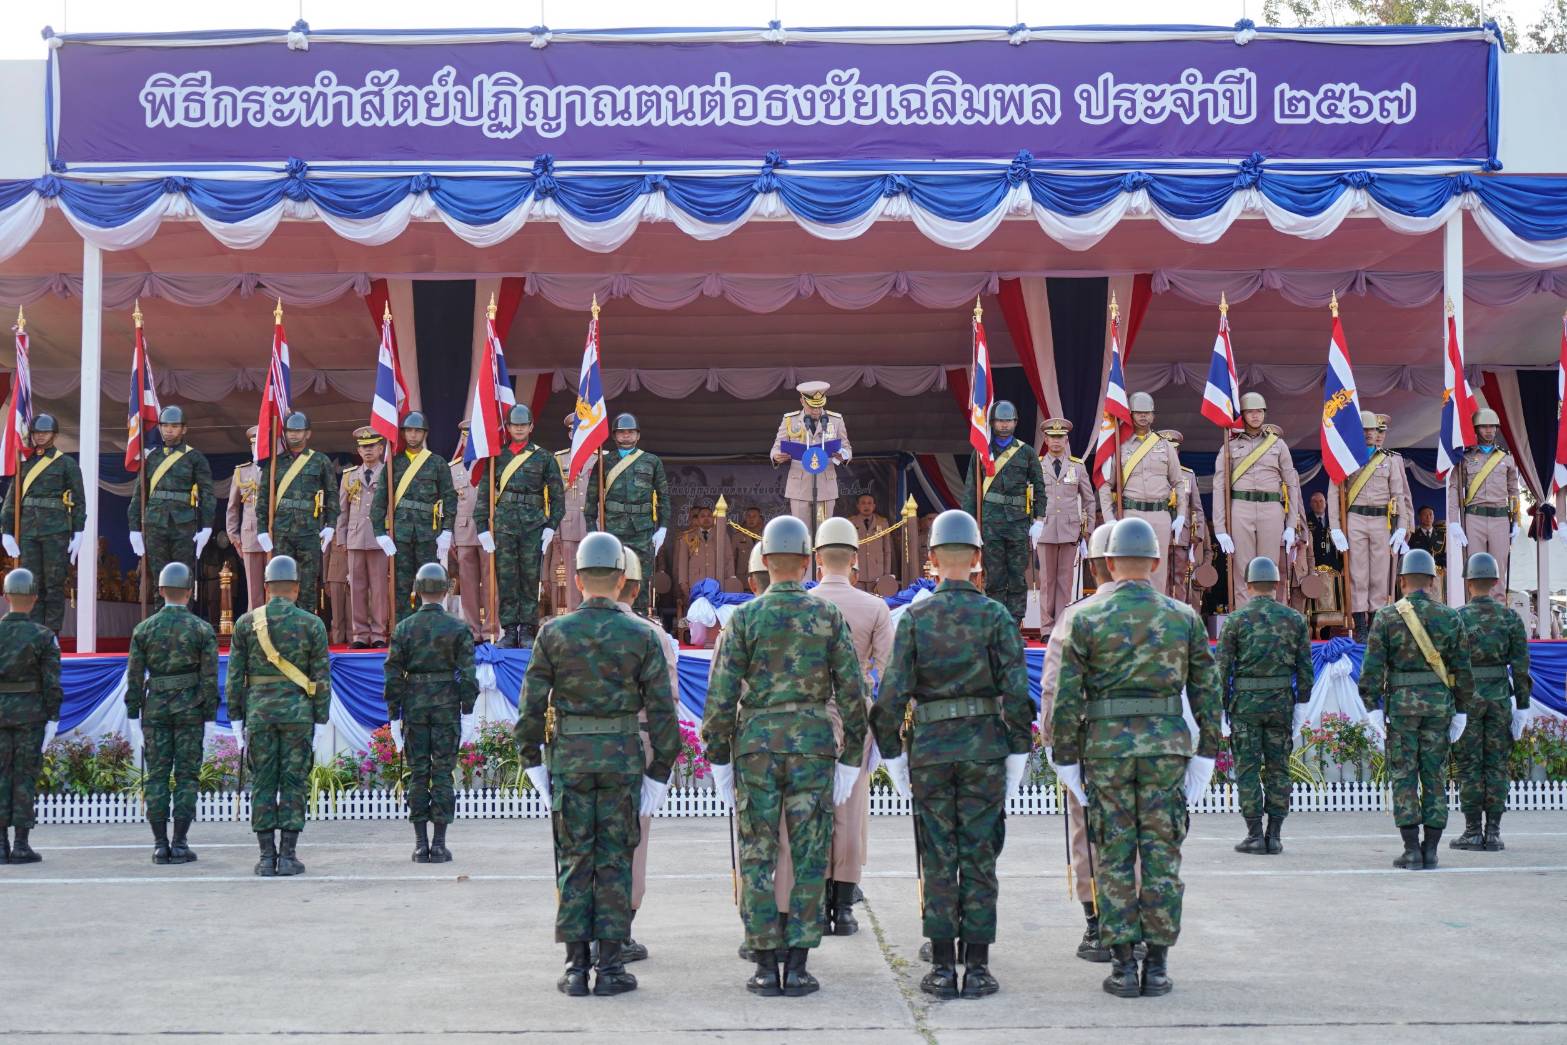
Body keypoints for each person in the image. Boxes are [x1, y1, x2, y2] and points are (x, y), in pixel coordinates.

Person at [1052, 517, 1221, 998]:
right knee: (1163, 855)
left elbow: (1066, 697)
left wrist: (1065, 758)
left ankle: (1124, 966)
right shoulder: (1183, 617)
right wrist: (1206, 753)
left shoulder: (1085, 618)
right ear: (1154, 561)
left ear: (1108, 563)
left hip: (1107, 752)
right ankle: (1159, 964)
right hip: (1165, 750)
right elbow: (1207, 692)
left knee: (1114, 857)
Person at [870, 509, 1031, 999]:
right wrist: (1017, 751)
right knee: (979, 855)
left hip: (933, 751)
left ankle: (942, 967)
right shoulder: (997, 616)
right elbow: (1017, 692)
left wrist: (892, 755)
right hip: (984, 748)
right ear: (979, 558)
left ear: (933, 559)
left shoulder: (916, 617)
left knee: (938, 855)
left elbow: (891, 694)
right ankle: (977, 967)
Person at [702, 516, 866, 997]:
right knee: (811, 853)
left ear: (766, 562)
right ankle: (796, 965)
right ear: (806, 561)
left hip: (756, 744)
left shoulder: (744, 619)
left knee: (758, 853)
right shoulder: (826, 616)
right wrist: (851, 756)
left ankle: (762, 962)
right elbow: (852, 692)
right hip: (813, 743)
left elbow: (722, 694)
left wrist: (718, 755)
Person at [516, 532, 680, 997]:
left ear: (580, 578)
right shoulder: (642, 635)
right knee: (614, 861)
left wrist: (533, 764)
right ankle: (610, 967)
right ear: (622, 577)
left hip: (570, 757)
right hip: (623, 759)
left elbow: (530, 709)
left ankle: (575, 966)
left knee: (574, 860)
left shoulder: (554, 633)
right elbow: (663, 714)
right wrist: (659, 772)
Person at [806, 517, 894, 935]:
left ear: (817, 558)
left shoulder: (806, 604)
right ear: (855, 558)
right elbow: (887, 670)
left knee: (814, 807)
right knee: (851, 808)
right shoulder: (874, 607)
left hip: (810, 714)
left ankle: (818, 892)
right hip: (855, 711)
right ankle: (843, 905)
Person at [1359, 548, 1474, 869]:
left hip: (1401, 709)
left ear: (1402, 581)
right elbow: (1462, 670)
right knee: (1435, 775)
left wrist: (1371, 706)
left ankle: (1411, 850)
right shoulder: (1450, 618)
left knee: (1404, 775)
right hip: (1439, 708)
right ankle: (1432, 850)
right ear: (1432, 582)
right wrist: (1461, 709)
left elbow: (1372, 669)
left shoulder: (1386, 617)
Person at [1039, 522, 1119, 962]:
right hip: (1149, 746)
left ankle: (1095, 926)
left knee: (1086, 832)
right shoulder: (1168, 611)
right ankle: (1137, 924)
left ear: (1096, 567)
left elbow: (1053, 684)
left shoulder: (1078, 615)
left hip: (1091, 742)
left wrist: (1053, 740)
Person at [226, 555, 332, 877]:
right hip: (298, 715)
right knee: (293, 782)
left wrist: (235, 716)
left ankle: (264, 857)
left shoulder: (246, 624)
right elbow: (322, 677)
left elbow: (234, 676)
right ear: (297, 588)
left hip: (259, 715)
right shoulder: (312, 624)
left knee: (262, 783)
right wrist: (321, 719)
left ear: (267, 587)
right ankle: (287, 856)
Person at [1217, 557, 1313, 856]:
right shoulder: (1294, 619)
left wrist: (1221, 710)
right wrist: (1301, 706)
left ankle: (1254, 834)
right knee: (1278, 769)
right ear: (1276, 584)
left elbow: (1221, 669)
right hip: (1281, 704)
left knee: (1247, 769)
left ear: (1247, 585)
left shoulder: (1235, 620)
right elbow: (1305, 669)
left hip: (1245, 705)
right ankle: (1275, 834)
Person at [124, 562, 218, 864]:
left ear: (161, 590)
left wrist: (133, 713)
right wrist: (210, 714)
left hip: (156, 711)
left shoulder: (143, 630)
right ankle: (179, 842)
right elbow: (209, 677)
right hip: (190, 710)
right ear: (190, 592)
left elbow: (135, 677)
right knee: (187, 776)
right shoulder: (202, 629)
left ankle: (159, 844)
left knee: (157, 777)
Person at [384, 562, 478, 863]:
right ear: (444, 591)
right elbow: (468, 674)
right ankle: (438, 844)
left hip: (415, 704)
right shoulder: (458, 627)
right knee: (441, 773)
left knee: (418, 772)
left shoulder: (404, 628)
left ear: (417, 590)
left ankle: (419, 844)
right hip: (446, 704)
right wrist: (467, 710)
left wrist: (394, 715)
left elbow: (393, 675)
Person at [617, 548, 682, 962]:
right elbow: (666, 705)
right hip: (636, 746)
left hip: (578, 753)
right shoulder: (651, 635)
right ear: (637, 588)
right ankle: (621, 931)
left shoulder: (558, 631)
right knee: (633, 842)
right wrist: (663, 763)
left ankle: (581, 945)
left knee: (581, 843)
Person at [1452, 552, 1531, 852]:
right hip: (1499, 697)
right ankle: (1494, 832)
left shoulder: (1458, 617)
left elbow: (1451, 664)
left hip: (1468, 698)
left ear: (1468, 582)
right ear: (1496, 581)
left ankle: (1473, 831)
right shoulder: (1510, 618)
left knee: (1470, 765)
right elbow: (1521, 667)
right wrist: (1522, 706)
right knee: (1496, 765)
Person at [475, 404, 565, 649]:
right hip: (503, 525)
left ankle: (526, 628)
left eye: (523, 425)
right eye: (515, 425)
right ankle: (509, 628)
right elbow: (484, 495)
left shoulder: (544, 457)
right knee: (506, 578)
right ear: (508, 427)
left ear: (531, 427)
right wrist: (482, 526)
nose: (519, 429)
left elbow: (558, 498)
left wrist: (550, 526)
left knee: (528, 577)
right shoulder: (496, 457)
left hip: (533, 525)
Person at [960, 401, 1049, 627]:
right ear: (992, 423)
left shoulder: (1026, 452)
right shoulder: (982, 452)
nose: (1004, 425)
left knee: (1018, 576)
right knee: (995, 576)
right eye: (1000, 420)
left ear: (1016, 422)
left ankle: (1014, 624)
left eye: (1008, 420)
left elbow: (1039, 487)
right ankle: (996, 623)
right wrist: (971, 526)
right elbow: (971, 490)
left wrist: (1039, 519)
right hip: (990, 523)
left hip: (1019, 523)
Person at [1213, 394, 1303, 610]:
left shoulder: (1278, 445)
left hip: (1271, 508)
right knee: (1242, 568)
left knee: (1269, 568)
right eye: (1251, 411)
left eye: (1259, 411)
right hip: (1240, 507)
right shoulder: (1229, 446)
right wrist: (1220, 526)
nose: (1255, 415)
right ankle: (1246, 619)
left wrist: (1291, 524)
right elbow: (1219, 486)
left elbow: (1292, 485)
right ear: (1242, 415)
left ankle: (1268, 616)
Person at [1328, 411, 1413, 634]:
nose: (1369, 434)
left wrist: (1402, 524)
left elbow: (1399, 494)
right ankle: (1361, 626)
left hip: (1380, 520)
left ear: (1378, 432)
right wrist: (1335, 527)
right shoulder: (1346, 457)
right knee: (1358, 573)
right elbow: (1334, 494)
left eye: (1373, 430)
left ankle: (1375, 623)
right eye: (1364, 430)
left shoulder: (1389, 459)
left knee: (1379, 573)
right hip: (1354, 518)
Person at [1, 415, 85, 634]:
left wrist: (78, 531)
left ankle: (51, 636)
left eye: (45, 432)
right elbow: (12, 499)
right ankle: (35, 633)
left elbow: (78, 500)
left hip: (56, 532)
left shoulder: (66, 463)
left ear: (54, 435)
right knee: (30, 584)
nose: (40, 436)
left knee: (54, 586)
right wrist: (6, 531)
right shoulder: (24, 462)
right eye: (37, 432)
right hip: (27, 531)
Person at [371, 412, 457, 624]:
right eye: (409, 430)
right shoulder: (393, 464)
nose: (412, 435)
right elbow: (380, 500)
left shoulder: (437, 463)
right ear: (402, 433)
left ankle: (428, 626)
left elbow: (449, 498)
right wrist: (380, 532)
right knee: (401, 585)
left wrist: (447, 530)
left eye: (417, 431)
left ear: (424, 434)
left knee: (429, 583)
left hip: (429, 534)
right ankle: (404, 628)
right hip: (400, 535)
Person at [0, 567, 61, 864]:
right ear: (34, 598)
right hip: (31, 715)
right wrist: (53, 715)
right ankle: (21, 844)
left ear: (6, 595)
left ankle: (0, 844)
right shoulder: (43, 636)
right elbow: (52, 682)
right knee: (25, 777)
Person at [128, 406, 215, 614]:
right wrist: (134, 529)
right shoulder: (151, 458)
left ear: (184, 429)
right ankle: (161, 622)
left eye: (174, 426)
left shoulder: (195, 458)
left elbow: (207, 494)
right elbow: (139, 494)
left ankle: (184, 623)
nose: (168, 430)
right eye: (165, 425)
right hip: (154, 524)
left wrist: (207, 527)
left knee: (183, 576)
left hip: (183, 525)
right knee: (159, 578)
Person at [1098, 393, 1186, 596]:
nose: (1143, 417)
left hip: (1159, 514)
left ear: (1153, 416)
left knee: (1157, 570)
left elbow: (1179, 482)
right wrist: (1109, 518)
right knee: (1129, 567)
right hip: (1130, 513)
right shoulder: (1119, 446)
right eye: (1139, 413)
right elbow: (1105, 484)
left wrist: (1181, 513)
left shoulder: (1164, 446)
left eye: (1147, 413)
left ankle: (1154, 619)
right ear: (1130, 415)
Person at [256, 412, 338, 622]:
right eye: (290, 431)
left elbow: (331, 494)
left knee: (308, 583)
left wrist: (331, 524)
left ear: (308, 433)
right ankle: (282, 625)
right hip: (281, 531)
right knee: (281, 580)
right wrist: (262, 529)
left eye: (298, 431)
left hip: (309, 531)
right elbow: (264, 497)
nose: (294, 435)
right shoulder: (274, 463)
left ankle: (306, 626)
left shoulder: (320, 461)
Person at [585, 413, 669, 618]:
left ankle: (637, 616)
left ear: (638, 435)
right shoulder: (604, 462)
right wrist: (592, 529)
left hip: (642, 529)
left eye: (630, 432)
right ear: (614, 436)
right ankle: (612, 615)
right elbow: (591, 498)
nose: (626, 436)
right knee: (613, 573)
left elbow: (664, 495)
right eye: (622, 432)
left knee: (639, 574)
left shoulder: (651, 461)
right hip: (613, 528)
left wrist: (663, 527)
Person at [1448, 408, 1519, 586]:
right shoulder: (1464, 457)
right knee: (1475, 569)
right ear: (1476, 429)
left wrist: (1516, 520)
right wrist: (1454, 521)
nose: (1489, 430)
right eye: (1484, 427)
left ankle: (1496, 612)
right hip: (1474, 517)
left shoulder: (1507, 458)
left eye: (1492, 426)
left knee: (1498, 570)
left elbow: (1514, 491)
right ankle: (1475, 611)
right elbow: (1454, 487)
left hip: (1500, 517)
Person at [1036, 417, 1094, 633]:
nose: (1056, 441)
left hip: (1070, 530)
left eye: (1060, 437)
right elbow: (1030, 497)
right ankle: (1046, 628)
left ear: (1066, 439)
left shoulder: (1077, 467)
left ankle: (1061, 626)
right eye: (1053, 437)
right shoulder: (1038, 465)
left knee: (1065, 581)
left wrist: (1087, 531)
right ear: (1046, 439)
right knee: (1047, 581)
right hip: (1045, 529)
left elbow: (1089, 500)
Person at [771, 381, 853, 529]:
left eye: (819, 406)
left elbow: (847, 448)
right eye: (812, 407)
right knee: (802, 533)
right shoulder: (790, 420)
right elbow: (776, 448)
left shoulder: (835, 420)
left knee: (823, 534)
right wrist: (777, 457)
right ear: (802, 401)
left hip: (825, 486)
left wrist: (843, 456)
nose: (816, 411)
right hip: (799, 486)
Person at [340, 427, 389, 648]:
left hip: (380, 539)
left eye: (372, 446)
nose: (368, 451)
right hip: (355, 537)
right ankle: (359, 634)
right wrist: (341, 538)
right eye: (364, 447)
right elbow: (342, 510)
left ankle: (378, 633)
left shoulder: (389, 473)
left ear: (381, 448)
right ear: (358, 450)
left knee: (379, 588)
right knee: (356, 587)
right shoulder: (349, 476)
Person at [449, 423, 490, 642]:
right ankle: (473, 630)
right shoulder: (453, 468)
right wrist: (450, 535)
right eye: (467, 437)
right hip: (463, 531)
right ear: (463, 440)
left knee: (490, 581)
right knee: (468, 583)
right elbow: (448, 505)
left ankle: (491, 629)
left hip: (488, 532)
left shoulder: (492, 464)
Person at [551, 412, 592, 614]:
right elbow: (554, 498)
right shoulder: (559, 459)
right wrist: (556, 531)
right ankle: (575, 615)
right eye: (574, 432)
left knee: (594, 572)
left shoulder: (600, 458)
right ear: (569, 435)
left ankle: (592, 615)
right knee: (570, 573)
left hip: (593, 524)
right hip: (567, 524)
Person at [225, 426, 267, 612]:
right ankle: (255, 630)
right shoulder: (241, 472)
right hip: (250, 535)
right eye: (254, 444)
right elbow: (232, 507)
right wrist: (233, 536)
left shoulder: (277, 470)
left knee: (275, 585)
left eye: (261, 444)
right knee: (254, 590)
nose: (257, 448)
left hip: (275, 535)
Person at [673, 501, 723, 604]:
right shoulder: (687, 537)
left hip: (716, 584)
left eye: (709, 516)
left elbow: (728, 560)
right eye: (702, 516)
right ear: (697, 519)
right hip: (695, 584)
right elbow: (682, 563)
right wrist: (683, 583)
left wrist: (729, 580)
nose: (706, 518)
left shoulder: (721, 535)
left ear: (714, 519)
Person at [851, 495, 893, 591]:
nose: (867, 506)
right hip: (857, 574)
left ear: (874, 506)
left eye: (869, 503)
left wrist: (886, 574)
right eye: (863, 503)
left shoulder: (882, 522)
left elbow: (887, 550)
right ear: (858, 506)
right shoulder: (851, 522)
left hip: (877, 574)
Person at [1306, 490, 1340, 573]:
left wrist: (1342, 566)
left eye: (1321, 501)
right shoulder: (1305, 520)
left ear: (1326, 503)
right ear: (1310, 504)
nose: (1318, 504)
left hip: (1333, 566)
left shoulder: (1334, 519)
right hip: (1313, 566)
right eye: (1315, 502)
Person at [731, 506, 765, 581]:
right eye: (748, 516)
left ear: (759, 519)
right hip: (742, 579)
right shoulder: (737, 536)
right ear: (745, 518)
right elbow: (731, 559)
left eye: (754, 516)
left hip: (762, 577)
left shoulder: (766, 535)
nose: (751, 519)